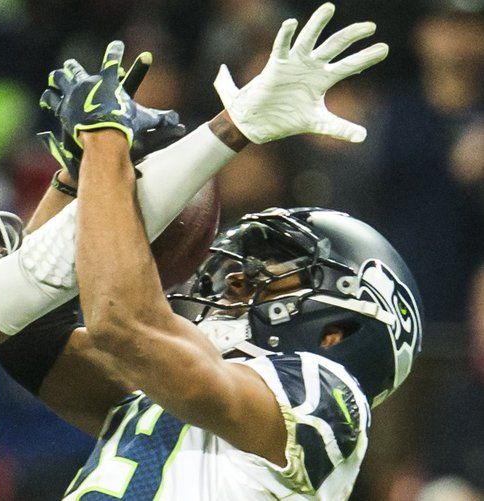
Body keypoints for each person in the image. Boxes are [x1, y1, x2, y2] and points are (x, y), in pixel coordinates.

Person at [0, 3, 386, 499]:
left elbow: (59, 314)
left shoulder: (323, 395)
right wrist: (155, 141)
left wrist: (85, 165)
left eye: (260, 280)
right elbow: (46, 289)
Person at [45, 11, 421, 501]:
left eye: (274, 270)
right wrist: (77, 180)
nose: (235, 280)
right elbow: (27, 332)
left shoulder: (329, 395)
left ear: (338, 330)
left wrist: (104, 145)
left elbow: (121, 324)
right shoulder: (169, 388)